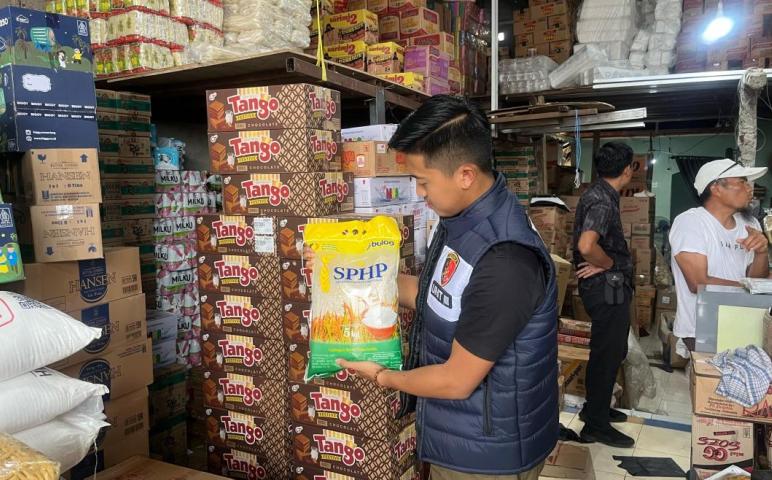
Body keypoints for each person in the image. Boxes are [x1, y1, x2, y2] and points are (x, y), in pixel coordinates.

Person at [312, 95, 559, 479]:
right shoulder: (463, 222)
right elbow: (435, 297)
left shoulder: (506, 260)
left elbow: (456, 381)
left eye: (422, 181)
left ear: (465, 175)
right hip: (463, 435)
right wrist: (342, 268)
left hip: (488, 458)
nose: (420, 193)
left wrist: (381, 376)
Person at [572, 142, 635, 448]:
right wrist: (608, 263)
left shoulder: (599, 193)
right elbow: (587, 245)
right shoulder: (602, 201)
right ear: (627, 170)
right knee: (607, 354)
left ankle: (594, 408)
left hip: (606, 285)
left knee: (611, 350)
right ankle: (595, 425)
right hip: (607, 286)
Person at [670, 159, 769, 351]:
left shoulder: (750, 225)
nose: (750, 188)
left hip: (743, 324)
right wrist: (754, 289)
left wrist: (761, 253)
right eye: (742, 182)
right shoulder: (691, 222)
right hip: (702, 328)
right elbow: (698, 283)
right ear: (716, 188)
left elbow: (756, 278)